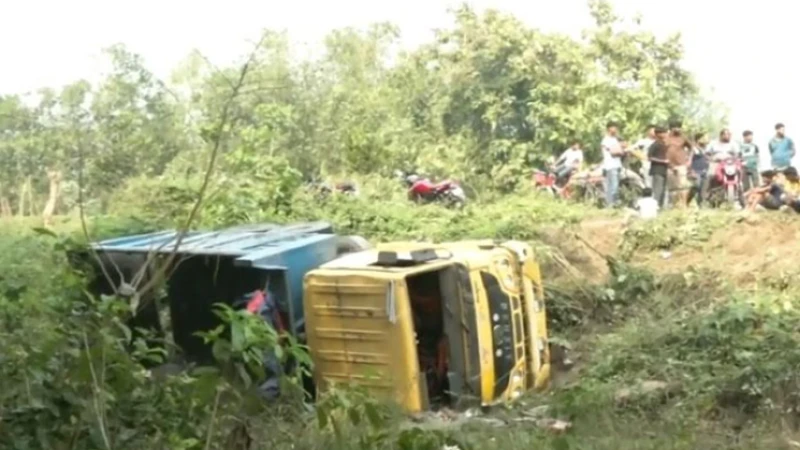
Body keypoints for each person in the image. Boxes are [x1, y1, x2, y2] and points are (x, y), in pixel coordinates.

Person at [665, 120, 693, 208]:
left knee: (683, 186)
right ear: (671, 128)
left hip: (681, 164)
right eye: (675, 127)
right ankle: (675, 205)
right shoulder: (666, 137)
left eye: (679, 127)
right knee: (672, 187)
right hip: (669, 165)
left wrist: (689, 160)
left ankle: (684, 204)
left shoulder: (683, 137)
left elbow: (692, 148)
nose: (678, 129)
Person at [601, 121, 625, 207]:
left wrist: (621, 150)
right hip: (610, 166)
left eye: (616, 128)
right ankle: (611, 204)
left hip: (617, 165)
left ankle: (612, 204)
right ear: (609, 128)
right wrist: (621, 151)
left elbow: (620, 150)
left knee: (615, 186)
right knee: (613, 186)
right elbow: (614, 152)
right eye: (614, 127)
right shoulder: (606, 140)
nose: (616, 129)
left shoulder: (615, 139)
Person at [647, 126, 669, 207]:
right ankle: (655, 206)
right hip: (657, 170)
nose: (665, 134)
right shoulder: (655, 145)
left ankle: (661, 206)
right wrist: (663, 161)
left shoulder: (665, 144)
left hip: (665, 169)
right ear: (658, 134)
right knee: (658, 190)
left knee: (663, 190)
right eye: (664, 133)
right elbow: (649, 157)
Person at [688, 133, 710, 207]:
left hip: (704, 171)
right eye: (704, 138)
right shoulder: (694, 149)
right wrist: (691, 170)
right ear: (698, 140)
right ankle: (687, 200)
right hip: (696, 170)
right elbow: (689, 160)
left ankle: (700, 204)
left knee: (703, 189)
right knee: (696, 187)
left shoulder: (704, 149)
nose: (706, 140)